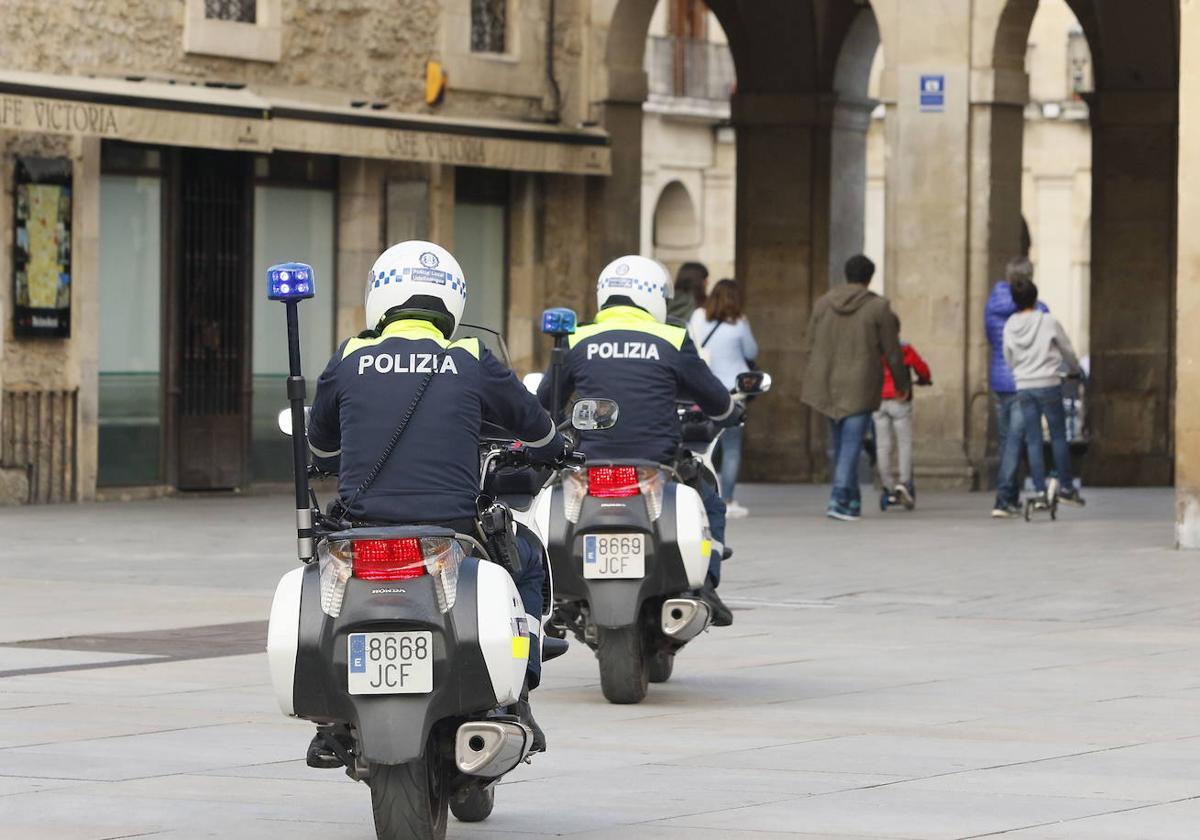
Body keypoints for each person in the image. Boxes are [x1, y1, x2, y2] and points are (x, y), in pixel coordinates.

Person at [305, 240, 566, 761]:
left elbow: (319, 446)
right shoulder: (470, 357)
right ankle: (522, 685)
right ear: (452, 303)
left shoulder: (350, 356)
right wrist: (555, 446)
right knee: (530, 561)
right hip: (451, 529)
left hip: (361, 531)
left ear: (379, 298)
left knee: (319, 585)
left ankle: (330, 717)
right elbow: (538, 431)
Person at [537, 255, 740, 625]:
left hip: (589, 466)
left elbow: (545, 401)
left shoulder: (577, 337)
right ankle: (706, 584)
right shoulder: (672, 337)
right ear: (656, 297)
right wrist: (731, 412)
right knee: (710, 501)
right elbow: (715, 399)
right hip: (656, 463)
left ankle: (556, 591)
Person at [801, 255, 909, 522]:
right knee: (851, 443)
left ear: (846, 275)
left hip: (827, 382)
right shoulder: (878, 307)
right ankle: (839, 498)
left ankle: (851, 500)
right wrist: (902, 383)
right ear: (869, 277)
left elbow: (810, 342)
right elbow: (893, 353)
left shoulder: (823, 303)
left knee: (841, 443)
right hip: (860, 382)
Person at [1000, 275, 1085, 511]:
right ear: (1035, 298)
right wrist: (1075, 370)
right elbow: (1067, 349)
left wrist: (1019, 371)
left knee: (1033, 440)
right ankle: (1066, 487)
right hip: (1048, 382)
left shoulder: (1009, 325)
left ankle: (1039, 490)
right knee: (1058, 436)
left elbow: (1008, 356)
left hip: (1024, 386)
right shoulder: (1048, 321)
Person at [688, 278, 758, 517]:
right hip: (734, 391)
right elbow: (751, 352)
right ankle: (727, 499)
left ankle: (704, 493)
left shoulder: (698, 316)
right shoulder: (739, 322)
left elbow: (689, 346)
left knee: (704, 445)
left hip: (704, 389)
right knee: (732, 448)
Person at [985, 257, 1048, 516]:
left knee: (1006, 440)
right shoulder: (1038, 309)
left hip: (1000, 378)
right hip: (1025, 379)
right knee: (1015, 440)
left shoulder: (991, 305)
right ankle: (1002, 498)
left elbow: (991, 337)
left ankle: (1010, 496)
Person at [874, 329, 932, 509]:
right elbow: (921, 367)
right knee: (904, 443)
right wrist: (925, 379)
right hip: (900, 398)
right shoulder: (904, 348)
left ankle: (887, 486)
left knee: (883, 446)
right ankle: (904, 483)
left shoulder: (873, 348)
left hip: (877, 400)